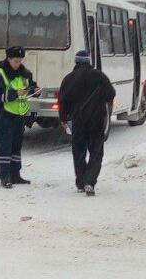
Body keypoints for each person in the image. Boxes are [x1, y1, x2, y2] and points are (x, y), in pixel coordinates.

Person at [58, 50, 116, 196]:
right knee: (96, 152)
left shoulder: (68, 78)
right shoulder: (99, 76)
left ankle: (80, 182)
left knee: (78, 151)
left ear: (76, 62)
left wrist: (63, 118)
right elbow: (111, 94)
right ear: (89, 61)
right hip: (96, 120)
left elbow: (62, 101)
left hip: (78, 121)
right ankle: (89, 181)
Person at [0, 46, 38, 189]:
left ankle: (15, 174)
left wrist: (34, 90)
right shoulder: (0, 74)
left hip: (19, 115)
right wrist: (15, 93)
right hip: (5, 114)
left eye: (20, 61)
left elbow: (31, 86)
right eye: (16, 61)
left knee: (16, 146)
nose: (18, 63)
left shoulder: (25, 73)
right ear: (9, 59)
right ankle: (4, 176)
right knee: (5, 146)